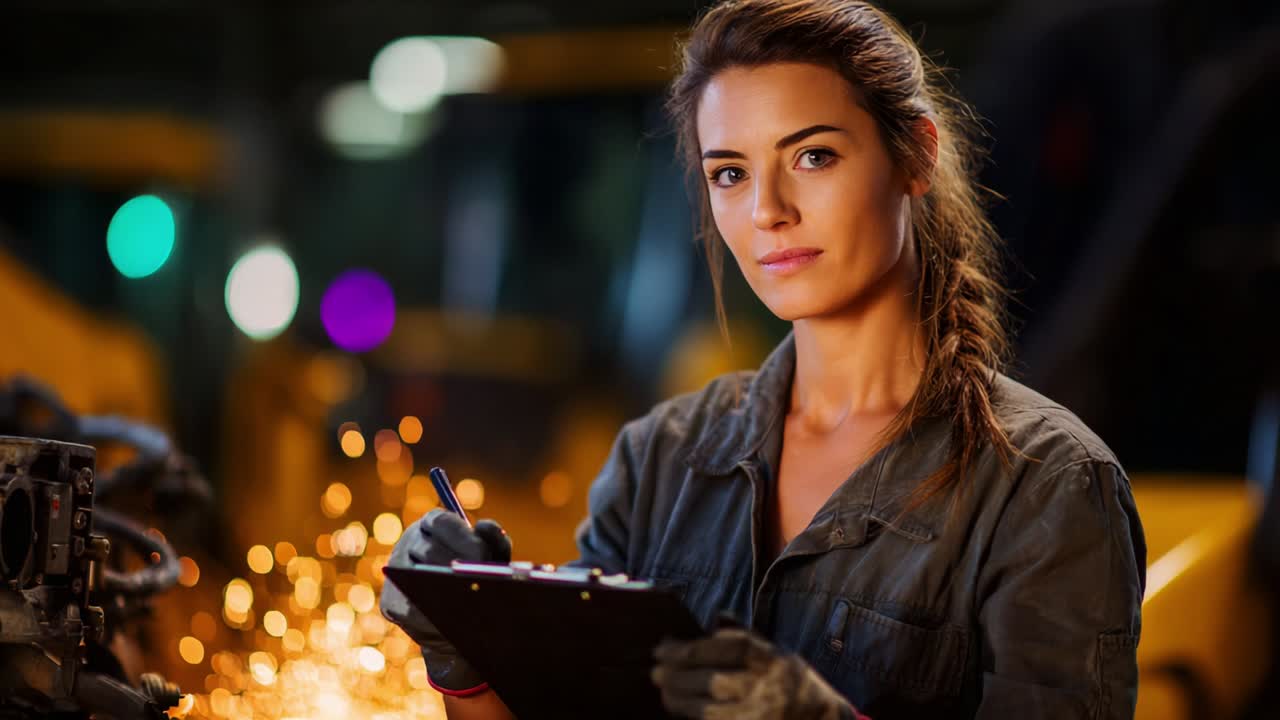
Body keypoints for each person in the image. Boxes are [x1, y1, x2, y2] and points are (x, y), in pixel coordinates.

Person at [380, 0, 1147, 717]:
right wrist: (465, 646)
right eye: (730, 173)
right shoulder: (661, 462)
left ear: (915, 155)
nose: (766, 211)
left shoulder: (1045, 488)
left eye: (813, 156)